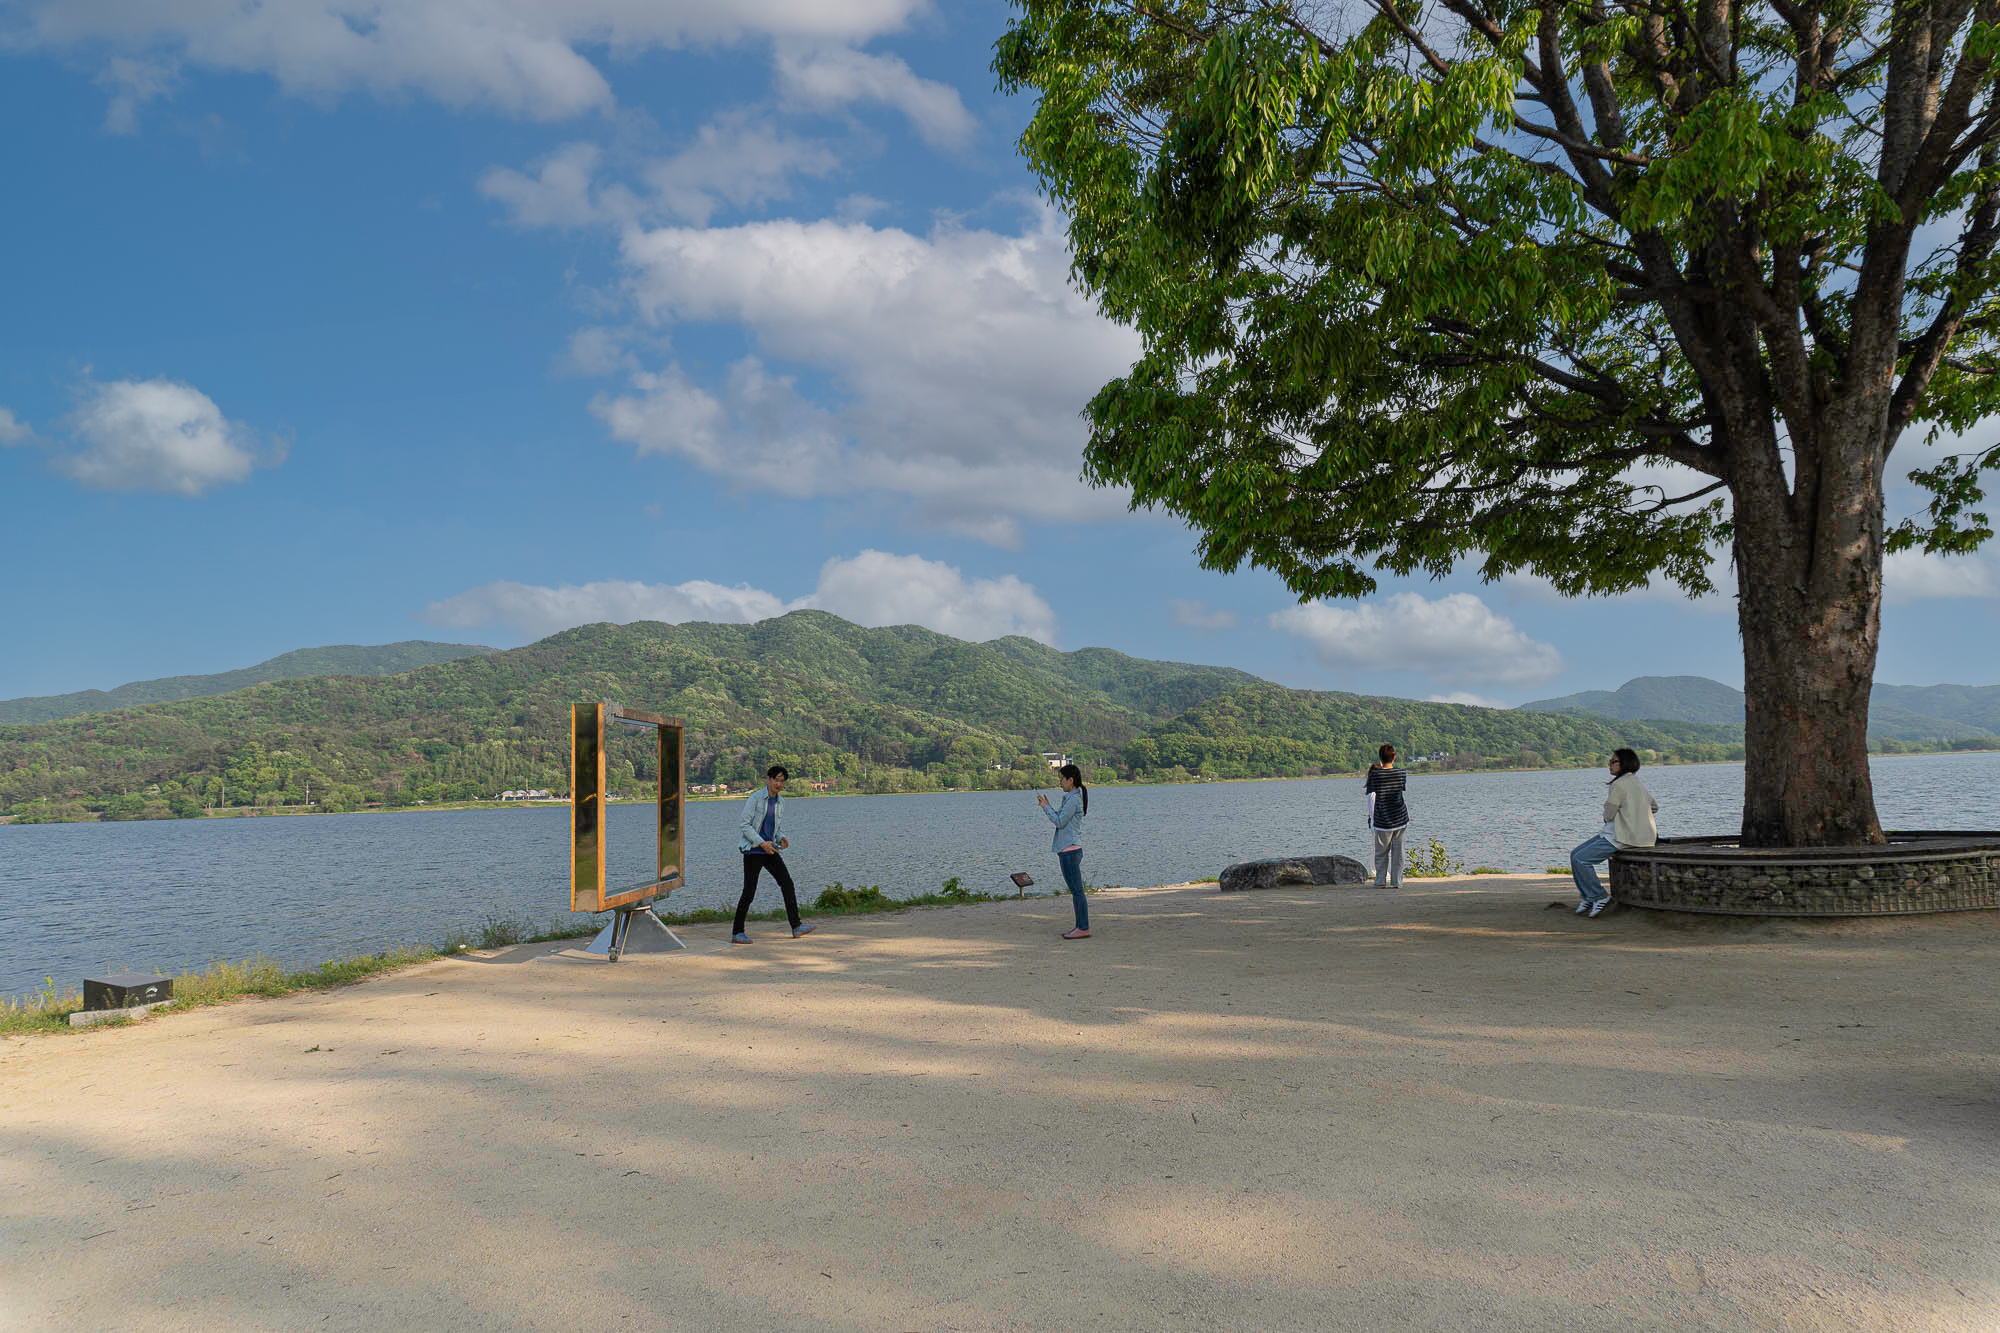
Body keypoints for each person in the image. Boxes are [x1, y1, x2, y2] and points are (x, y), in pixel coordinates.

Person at [1569, 747, 1658, 917]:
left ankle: (1598, 896)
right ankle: (1588, 896)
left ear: (1624, 763)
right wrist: (1635, 812)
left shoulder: (1618, 784)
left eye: (1613, 761)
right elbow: (1654, 806)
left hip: (1622, 836)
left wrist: (1619, 814)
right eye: (1610, 762)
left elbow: (1609, 814)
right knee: (1576, 855)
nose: (1609, 765)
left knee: (1580, 859)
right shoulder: (1636, 782)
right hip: (1626, 834)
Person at [732, 765, 815, 944]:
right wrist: (761, 842)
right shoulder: (755, 798)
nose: (779, 783)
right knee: (749, 892)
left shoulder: (780, 802)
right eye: (776, 779)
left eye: (782, 781)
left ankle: (796, 926)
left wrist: (782, 837)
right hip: (754, 850)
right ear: (768, 779)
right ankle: (737, 932)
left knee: (787, 883)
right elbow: (744, 825)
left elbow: (774, 827)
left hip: (770, 850)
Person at [1036, 763, 1091, 939]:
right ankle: (1081, 926)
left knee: (1077, 891)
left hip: (1070, 851)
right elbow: (1061, 819)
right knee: (1076, 891)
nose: (1060, 783)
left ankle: (1083, 927)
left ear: (1071, 780)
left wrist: (1046, 806)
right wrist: (1048, 806)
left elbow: (1059, 822)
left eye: (1062, 779)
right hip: (1068, 850)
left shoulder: (1073, 799)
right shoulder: (1071, 798)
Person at [1364, 744, 1409, 888]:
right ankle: (1397, 881)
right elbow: (1401, 790)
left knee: (1381, 853)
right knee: (1398, 853)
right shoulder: (1401, 773)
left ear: (1380, 758)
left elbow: (1371, 792)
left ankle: (1380, 881)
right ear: (1394, 757)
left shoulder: (1375, 775)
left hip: (1382, 819)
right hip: (1399, 817)